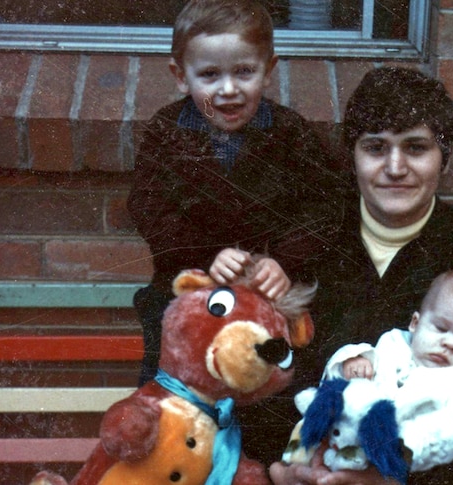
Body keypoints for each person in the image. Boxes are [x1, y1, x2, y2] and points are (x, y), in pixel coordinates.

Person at [256, 66, 453, 485]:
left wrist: (397, 480)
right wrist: (279, 467)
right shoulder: (306, 246)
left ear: (443, 157)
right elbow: (260, 371)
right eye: (376, 147)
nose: (395, 167)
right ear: (352, 155)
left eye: (415, 148)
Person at [127, 0, 339, 385]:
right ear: (180, 76)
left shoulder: (290, 133)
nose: (228, 90)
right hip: (187, 295)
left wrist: (285, 263)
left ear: (269, 70)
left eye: (244, 72)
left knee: (275, 394)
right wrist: (208, 255)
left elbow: (324, 208)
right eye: (209, 75)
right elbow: (148, 208)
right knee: (171, 400)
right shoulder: (166, 132)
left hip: (267, 300)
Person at [287, 270, 453, 483]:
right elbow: (349, 388)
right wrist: (352, 361)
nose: (450, 343)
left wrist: (405, 444)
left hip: (427, 467)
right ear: (415, 323)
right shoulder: (394, 344)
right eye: (440, 328)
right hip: (358, 452)